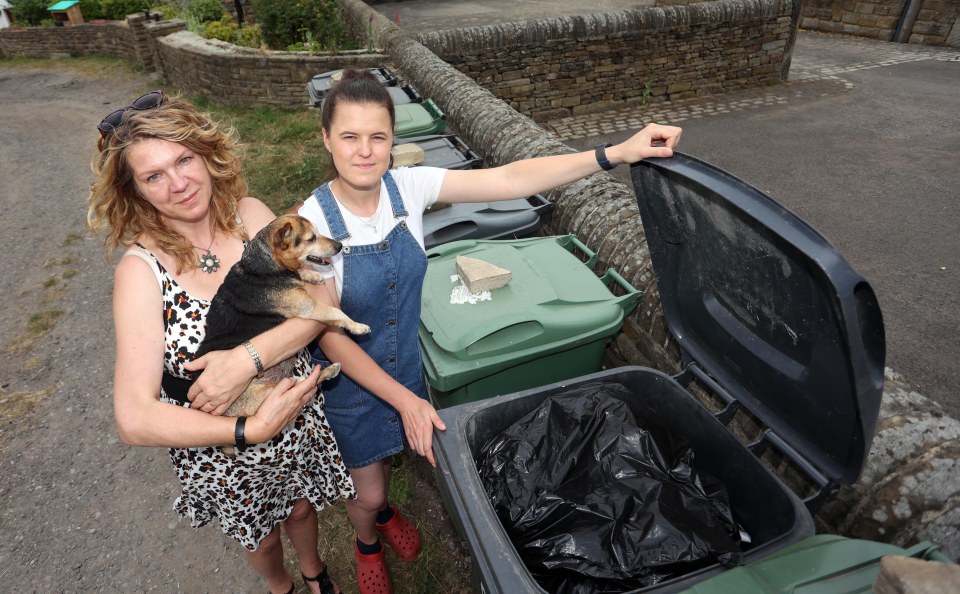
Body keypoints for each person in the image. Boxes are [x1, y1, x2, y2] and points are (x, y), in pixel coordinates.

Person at [294, 69, 683, 594]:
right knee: (365, 490)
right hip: (349, 383)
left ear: (392, 140)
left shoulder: (406, 187)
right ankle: (369, 535)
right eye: (349, 137)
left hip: (405, 364)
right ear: (326, 139)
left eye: (378, 137)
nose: (365, 151)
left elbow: (508, 180)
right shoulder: (312, 223)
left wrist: (612, 153)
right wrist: (405, 403)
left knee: (389, 462)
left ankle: (384, 511)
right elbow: (329, 335)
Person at [87, 90, 356, 594]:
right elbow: (134, 416)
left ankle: (316, 572)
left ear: (207, 154)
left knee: (300, 507)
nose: (178, 183)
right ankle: (283, 587)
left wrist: (247, 359)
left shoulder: (253, 217)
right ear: (136, 191)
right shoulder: (140, 274)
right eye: (153, 176)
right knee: (263, 538)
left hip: (292, 406)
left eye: (184, 159)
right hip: (221, 443)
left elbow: (326, 294)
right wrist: (246, 430)